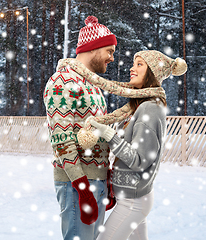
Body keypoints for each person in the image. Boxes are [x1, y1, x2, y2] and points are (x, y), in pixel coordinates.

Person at [44, 15, 167, 240]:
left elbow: (98, 134)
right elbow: (62, 140)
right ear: (94, 48)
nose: (112, 58)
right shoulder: (62, 82)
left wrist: (106, 176)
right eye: (109, 51)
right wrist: (81, 187)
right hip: (77, 182)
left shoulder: (94, 86)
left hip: (97, 180)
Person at [59, 50, 187, 240]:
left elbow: (139, 160)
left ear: (153, 72)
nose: (131, 68)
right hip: (131, 198)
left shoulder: (150, 107)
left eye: (139, 64)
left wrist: (109, 134)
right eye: (134, 63)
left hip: (133, 202)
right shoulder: (137, 105)